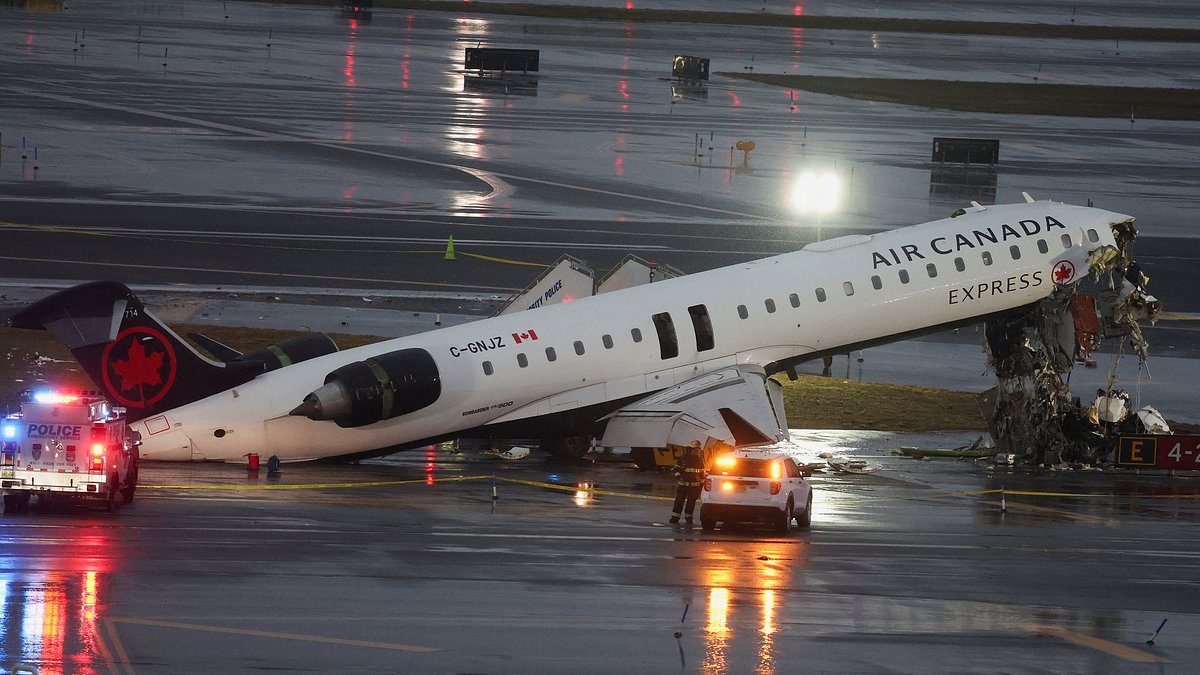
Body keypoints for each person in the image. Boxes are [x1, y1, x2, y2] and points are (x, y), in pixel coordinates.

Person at [670, 441, 706, 524]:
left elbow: (701, 473)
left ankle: (688, 518)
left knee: (691, 503)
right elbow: (676, 469)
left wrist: (701, 485)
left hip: (694, 487)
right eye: (696, 449)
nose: (698, 451)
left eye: (699, 449)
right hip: (683, 486)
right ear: (691, 450)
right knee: (679, 502)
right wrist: (679, 477)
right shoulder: (683, 459)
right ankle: (675, 518)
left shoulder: (700, 460)